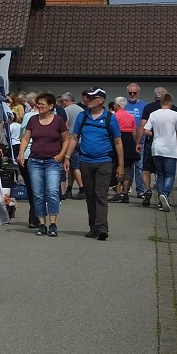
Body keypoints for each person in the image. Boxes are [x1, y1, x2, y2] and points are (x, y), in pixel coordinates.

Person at [64, 87, 123, 241]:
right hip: (85, 161)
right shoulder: (82, 117)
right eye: (87, 97)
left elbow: (118, 142)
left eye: (91, 97)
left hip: (104, 161)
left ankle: (103, 228)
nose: (87, 100)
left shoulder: (110, 118)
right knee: (90, 195)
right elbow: (74, 137)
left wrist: (121, 165)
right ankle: (94, 227)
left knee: (101, 194)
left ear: (101, 100)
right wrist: (67, 157)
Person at [16, 91, 69, 236]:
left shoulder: (58, 120)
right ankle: (41, 224)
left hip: (53, 160)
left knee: (52, 191)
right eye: (38, 104)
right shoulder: (33, 120)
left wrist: (62, 155)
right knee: (37, 193)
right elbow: (26, 138)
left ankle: (53, 223)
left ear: (51, 106)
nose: (39, 106)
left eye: (42, 104)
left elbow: (66, 139)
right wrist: (21, 153)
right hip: (35, 160)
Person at [143, 93, 177, 212]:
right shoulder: (175, 114)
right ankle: (164, 194)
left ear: (161, 102)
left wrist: (154, 134)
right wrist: (176, 140)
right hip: (170, 148)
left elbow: (146, 130)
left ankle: (161, 202)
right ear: (170, 103)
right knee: (170, 174)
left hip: (156, 148)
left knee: (160, 175)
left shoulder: (154, 114)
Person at [110, 97, 140, 203]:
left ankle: (118, 193)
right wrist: (136, 143)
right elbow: (134, 132)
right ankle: (126, 193)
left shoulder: (114, 116)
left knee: (118, 166)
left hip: (119, 140)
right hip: (129, 141)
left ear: (117, 105)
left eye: (114, 104)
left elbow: (111, 131)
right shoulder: (131, 116)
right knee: (127, 168)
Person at [60, 93, 85, 199]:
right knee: (71, 166)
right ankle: (69, 189)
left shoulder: (67, 110)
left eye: (62, 101)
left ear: (66, 100)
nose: (62, 104)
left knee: (74, 166)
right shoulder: (81, 110)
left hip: (72, 139)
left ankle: (82, 189)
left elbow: (65, 126)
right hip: (82, 140)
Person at [123, 83, 146, 196]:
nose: (132, 95)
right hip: (127, 142)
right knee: (127, 167)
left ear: (138, 93)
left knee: (139, 167)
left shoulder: (144, 106)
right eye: (130, 93)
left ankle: (140, 190)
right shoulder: (123, 105)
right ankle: (126, 190)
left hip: (140, 141)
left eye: (134, 93)